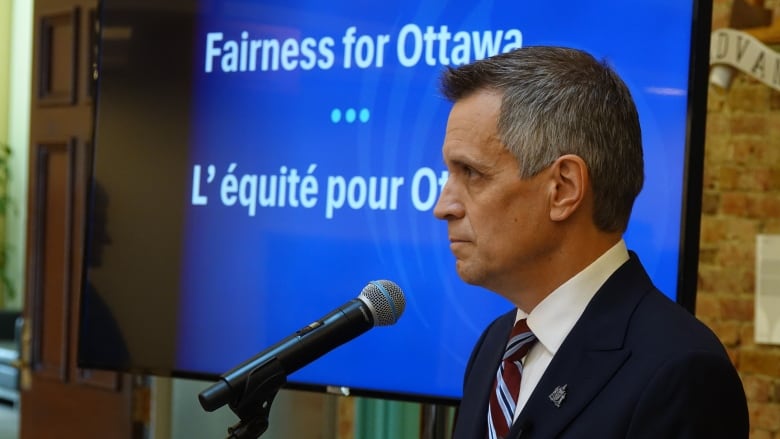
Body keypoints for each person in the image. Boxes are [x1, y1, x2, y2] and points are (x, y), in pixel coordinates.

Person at [433, 46, 749, 439]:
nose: (442, 206)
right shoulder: (496, 345)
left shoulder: (681, 371)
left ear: (563, 189)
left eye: (471, 173)